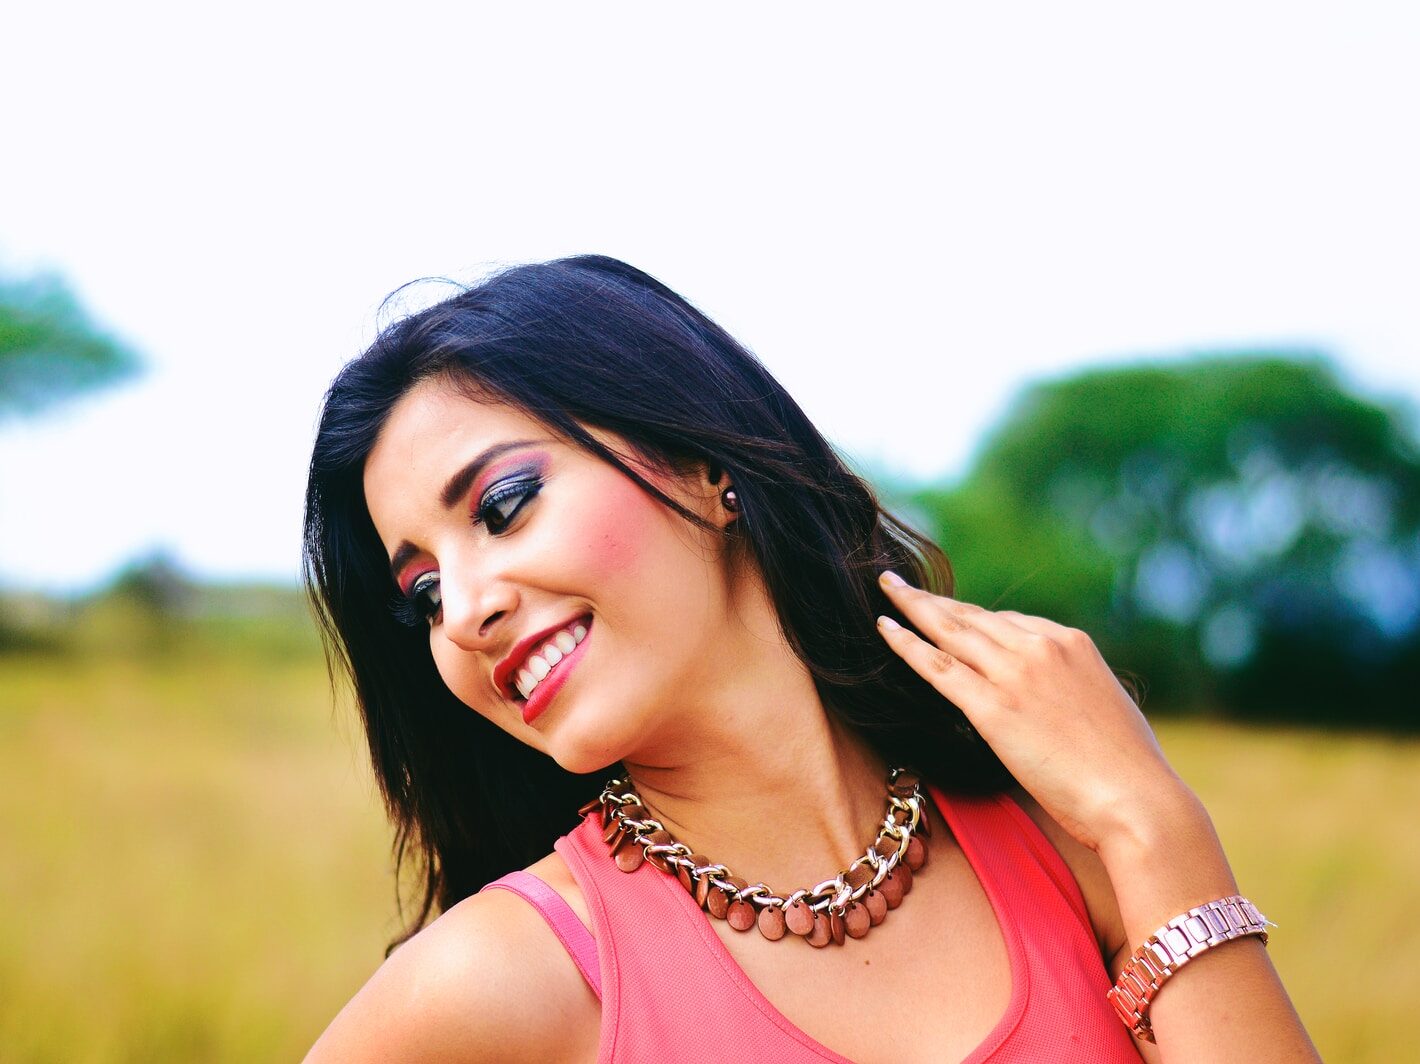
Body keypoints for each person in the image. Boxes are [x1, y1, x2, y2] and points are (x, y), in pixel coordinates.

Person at [300, 255, 1318, 1062]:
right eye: (424, 593)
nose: (466, 610)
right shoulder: (504, 980)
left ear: (705, 466)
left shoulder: (1070, 840)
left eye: (504, 506)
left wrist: (1153, 822)